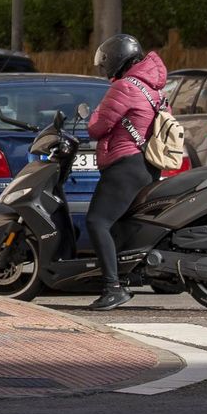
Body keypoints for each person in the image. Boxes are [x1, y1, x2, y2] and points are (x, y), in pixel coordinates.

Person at [83, 33, 168, 311]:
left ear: (117, 60)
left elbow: (97, 127)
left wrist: (93, 115)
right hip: (145, 165)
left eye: (105, 63)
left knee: (97, 221)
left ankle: (112, 288)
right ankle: (126, 276)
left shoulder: (124, 87)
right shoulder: (153, 88)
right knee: (119, 223)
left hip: (125, 163)